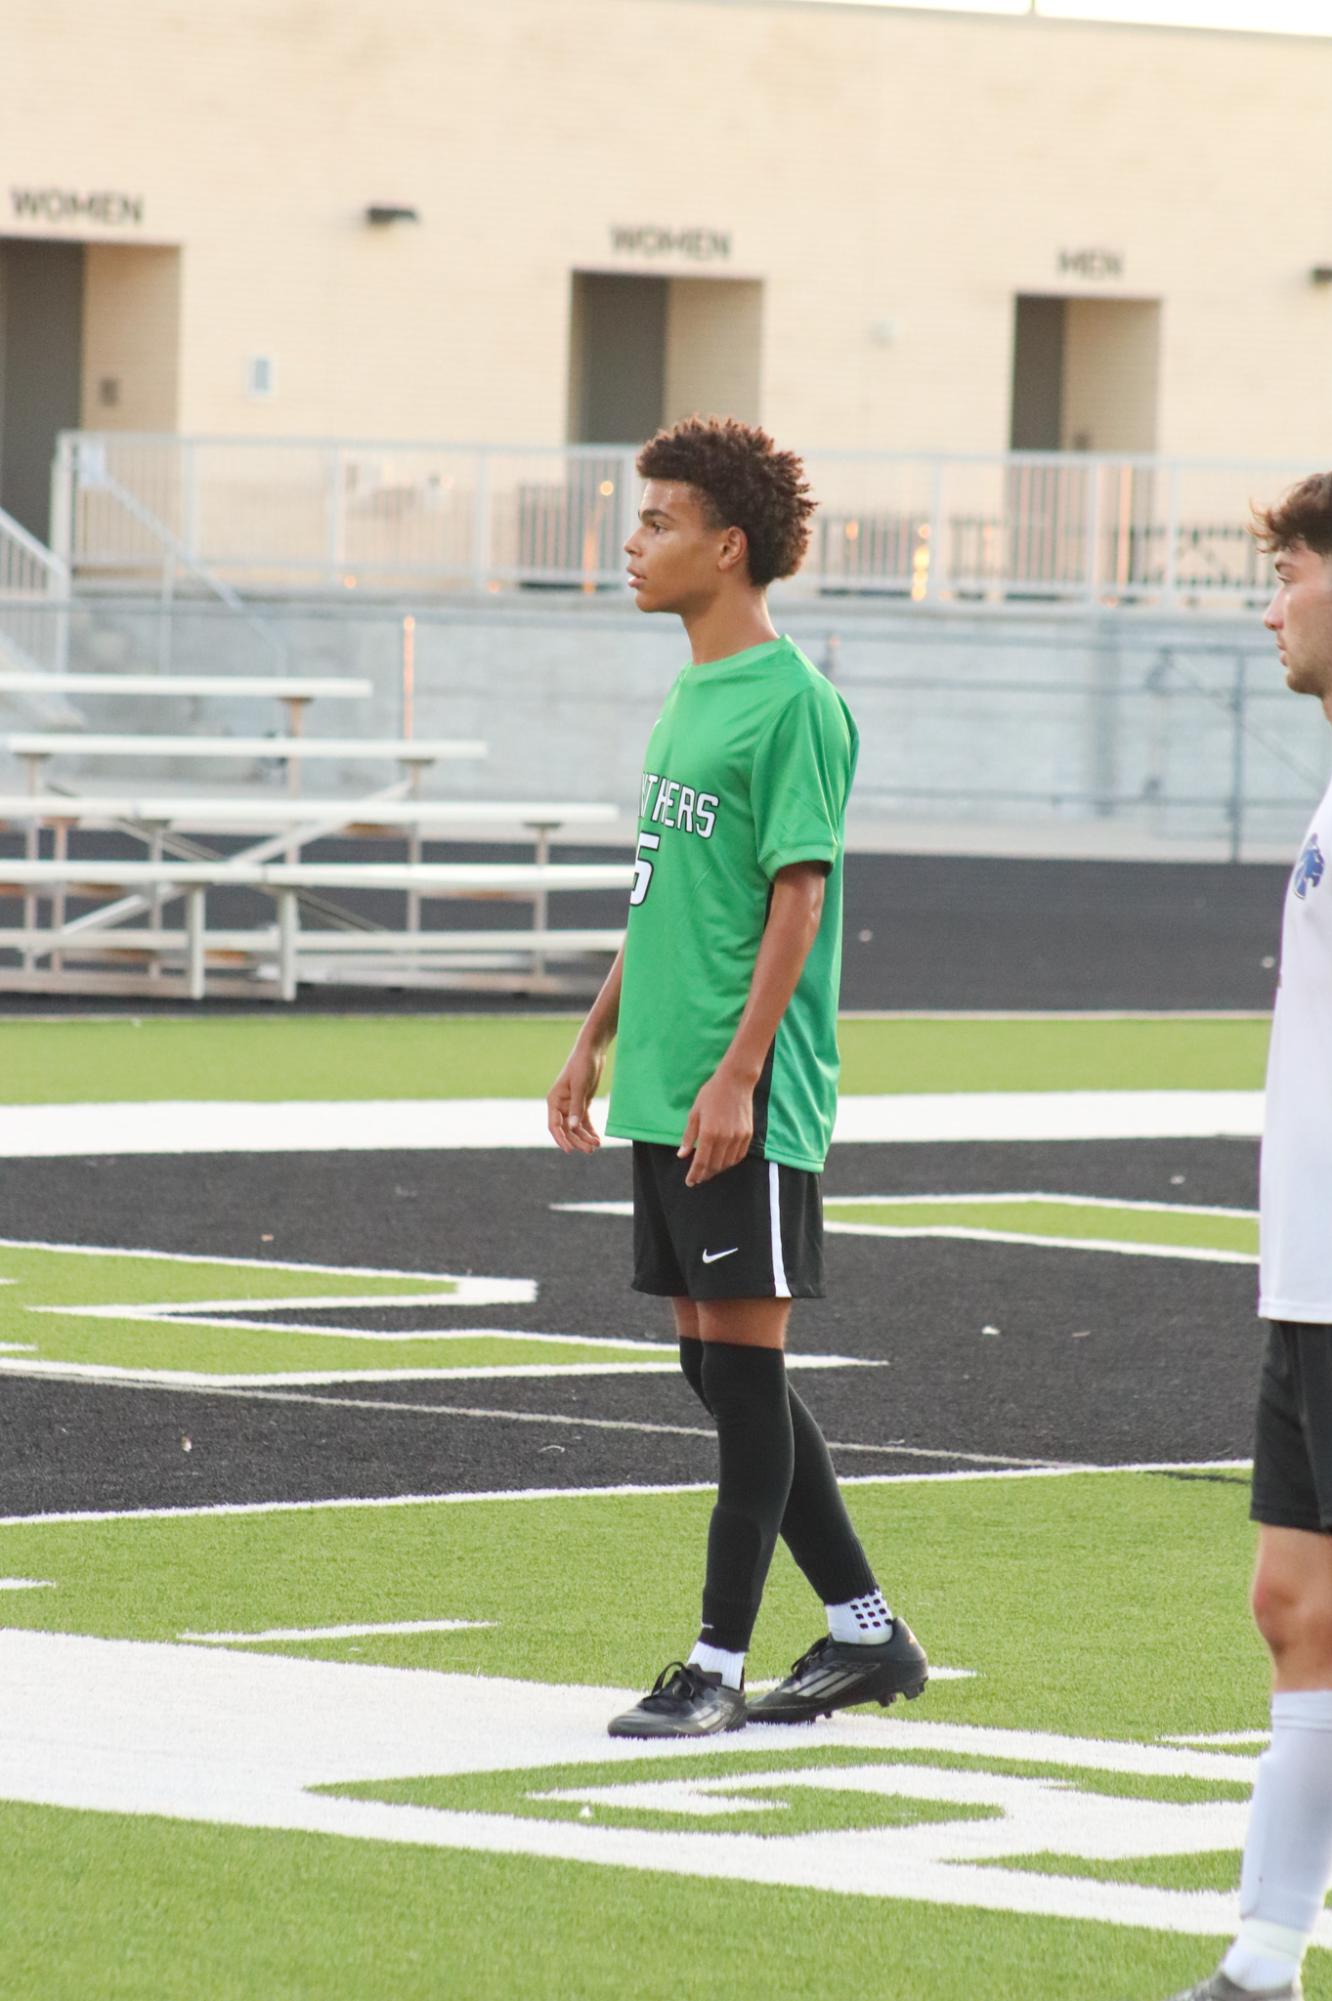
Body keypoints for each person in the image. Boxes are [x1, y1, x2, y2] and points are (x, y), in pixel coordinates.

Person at [546, 415, 927, 1739]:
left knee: (745, 1376)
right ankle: (865, 1632)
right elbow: (669, 896)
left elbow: (797, 896)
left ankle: (713, 1661)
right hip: (661, 1075)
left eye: (656, 523)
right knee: (715, 1374)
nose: (632, 544)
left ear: (727, 545)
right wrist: (594, 1031)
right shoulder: (686, 693)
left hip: (737, 1094)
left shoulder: (794, 701)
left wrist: (739, 1073)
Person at [1167, 473, 1332, 2001]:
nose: (1266, 602)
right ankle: (1261, 1961)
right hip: (1308, 1281)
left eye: (1287, 570)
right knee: (1292, 1607)